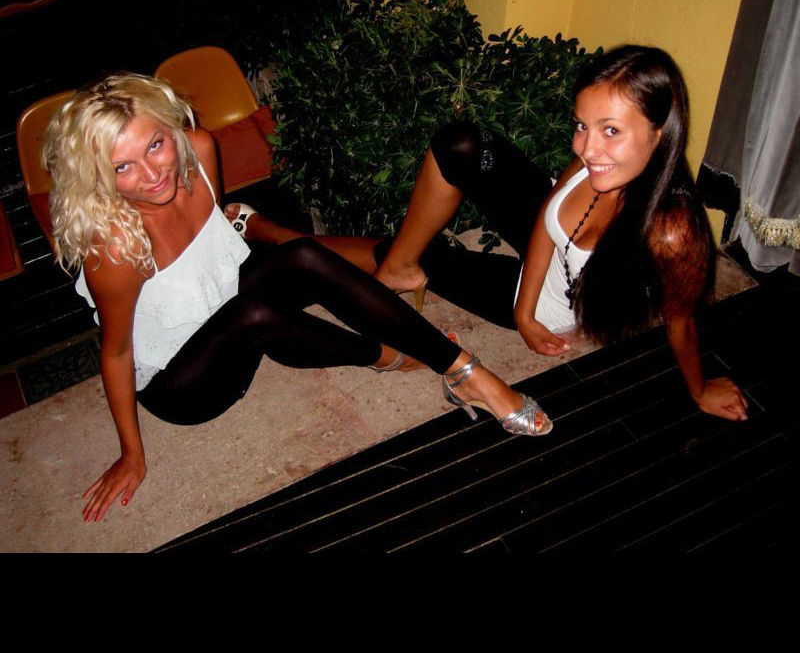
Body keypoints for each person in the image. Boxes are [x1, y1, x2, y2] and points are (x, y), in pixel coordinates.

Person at [43, 74, 551, 523]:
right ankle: (388, 355)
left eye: (155, 145)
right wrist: (131, 454)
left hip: (231, 308)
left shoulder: (198, 150)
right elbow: (116, 352)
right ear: (98, 178)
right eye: (122, 168)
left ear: (171, 128)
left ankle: (465, 373)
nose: (151, 174)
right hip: (187, 383)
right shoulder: (114, 248)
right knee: (257, 313)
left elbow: (210, 251)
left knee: (303, 257)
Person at [231, 45, 748, 423]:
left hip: (554, 302)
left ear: (659, 134)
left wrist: (700, 389)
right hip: (540, 270)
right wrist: (523, 308)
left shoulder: (672, 232)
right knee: (463, 145)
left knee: (413, 255)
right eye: (582, 125)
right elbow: (546, 216)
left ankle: (275, 233)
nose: (588, 148)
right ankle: (401, 267)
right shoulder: (597, 162)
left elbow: (682, 322)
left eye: (611, 130)